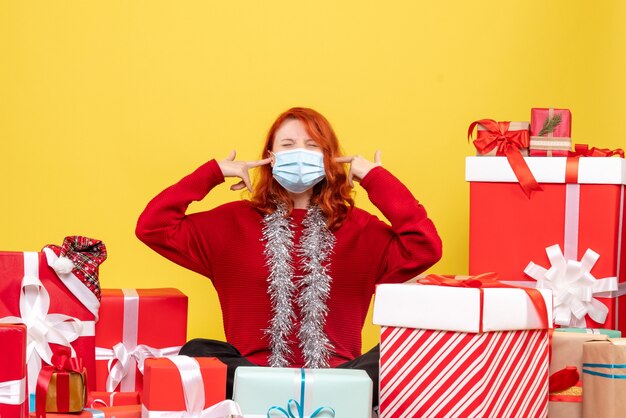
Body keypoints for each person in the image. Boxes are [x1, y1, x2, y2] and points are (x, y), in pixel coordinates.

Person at [135, 107, 442, 405]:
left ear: (330, 160)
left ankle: (317, 398)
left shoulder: (361, 228)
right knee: (197, 351)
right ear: (270, 156)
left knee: (397, 354)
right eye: (288, 144)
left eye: (312, 146)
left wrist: (376, 178)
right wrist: (212, 173)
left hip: (340, 381)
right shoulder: (231, 223)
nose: (300, 153)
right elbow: (153, 227)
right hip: (252, 379)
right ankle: (277, 395)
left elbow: (425, 247)